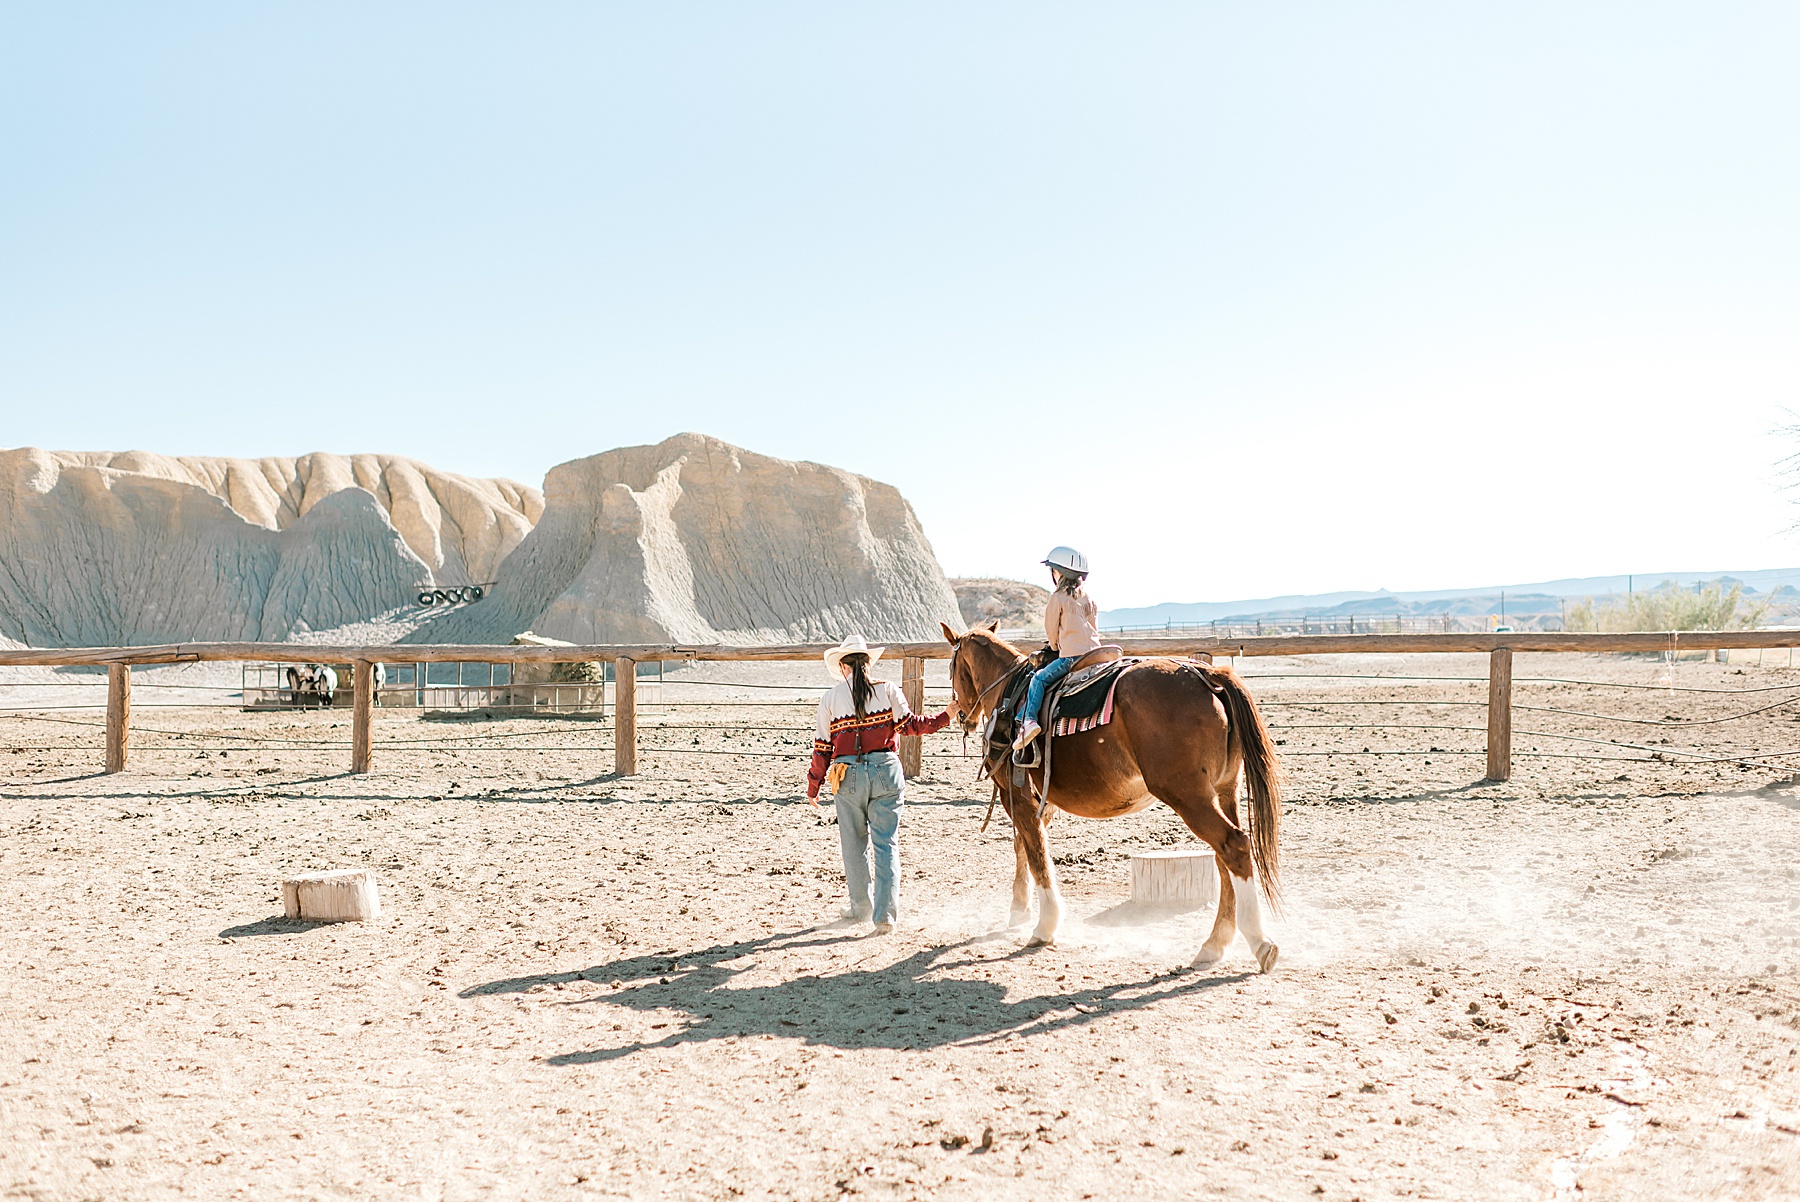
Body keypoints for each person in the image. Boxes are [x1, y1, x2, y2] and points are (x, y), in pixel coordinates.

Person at [806, 634, 953, 934]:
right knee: (886, 844)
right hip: (886, 771)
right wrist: (945, 716)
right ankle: (885, 916)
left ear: (843, 667)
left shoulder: (830, 698)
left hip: (847, 776)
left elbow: (822, 748)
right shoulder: (888, 689)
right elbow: (911, 725)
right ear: (868, 664)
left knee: (853, 844)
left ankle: (861, 907)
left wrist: (814, 785)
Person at [1013, 546, 1100, 750]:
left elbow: (1051, 630)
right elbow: (1094, 627)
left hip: (1072, 658)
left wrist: (1054, 646)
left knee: (1038, 679)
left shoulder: (1057, 598)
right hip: (1096, 655)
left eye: (1053, 570)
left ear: (1059, 572)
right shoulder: (1089, 598)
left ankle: (1029, 721)